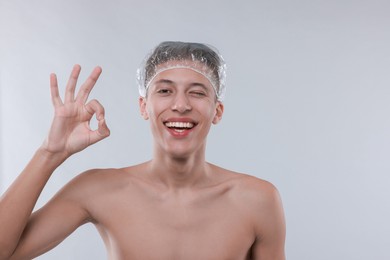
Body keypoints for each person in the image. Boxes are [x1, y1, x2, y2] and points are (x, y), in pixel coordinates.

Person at [0, 41, 286, 259]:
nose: (181, 105)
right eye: (164, 91)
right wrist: (50, 153)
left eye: (197, 92)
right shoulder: (97, 189)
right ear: (143, 106)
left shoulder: (257, 200)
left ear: (217, 110)